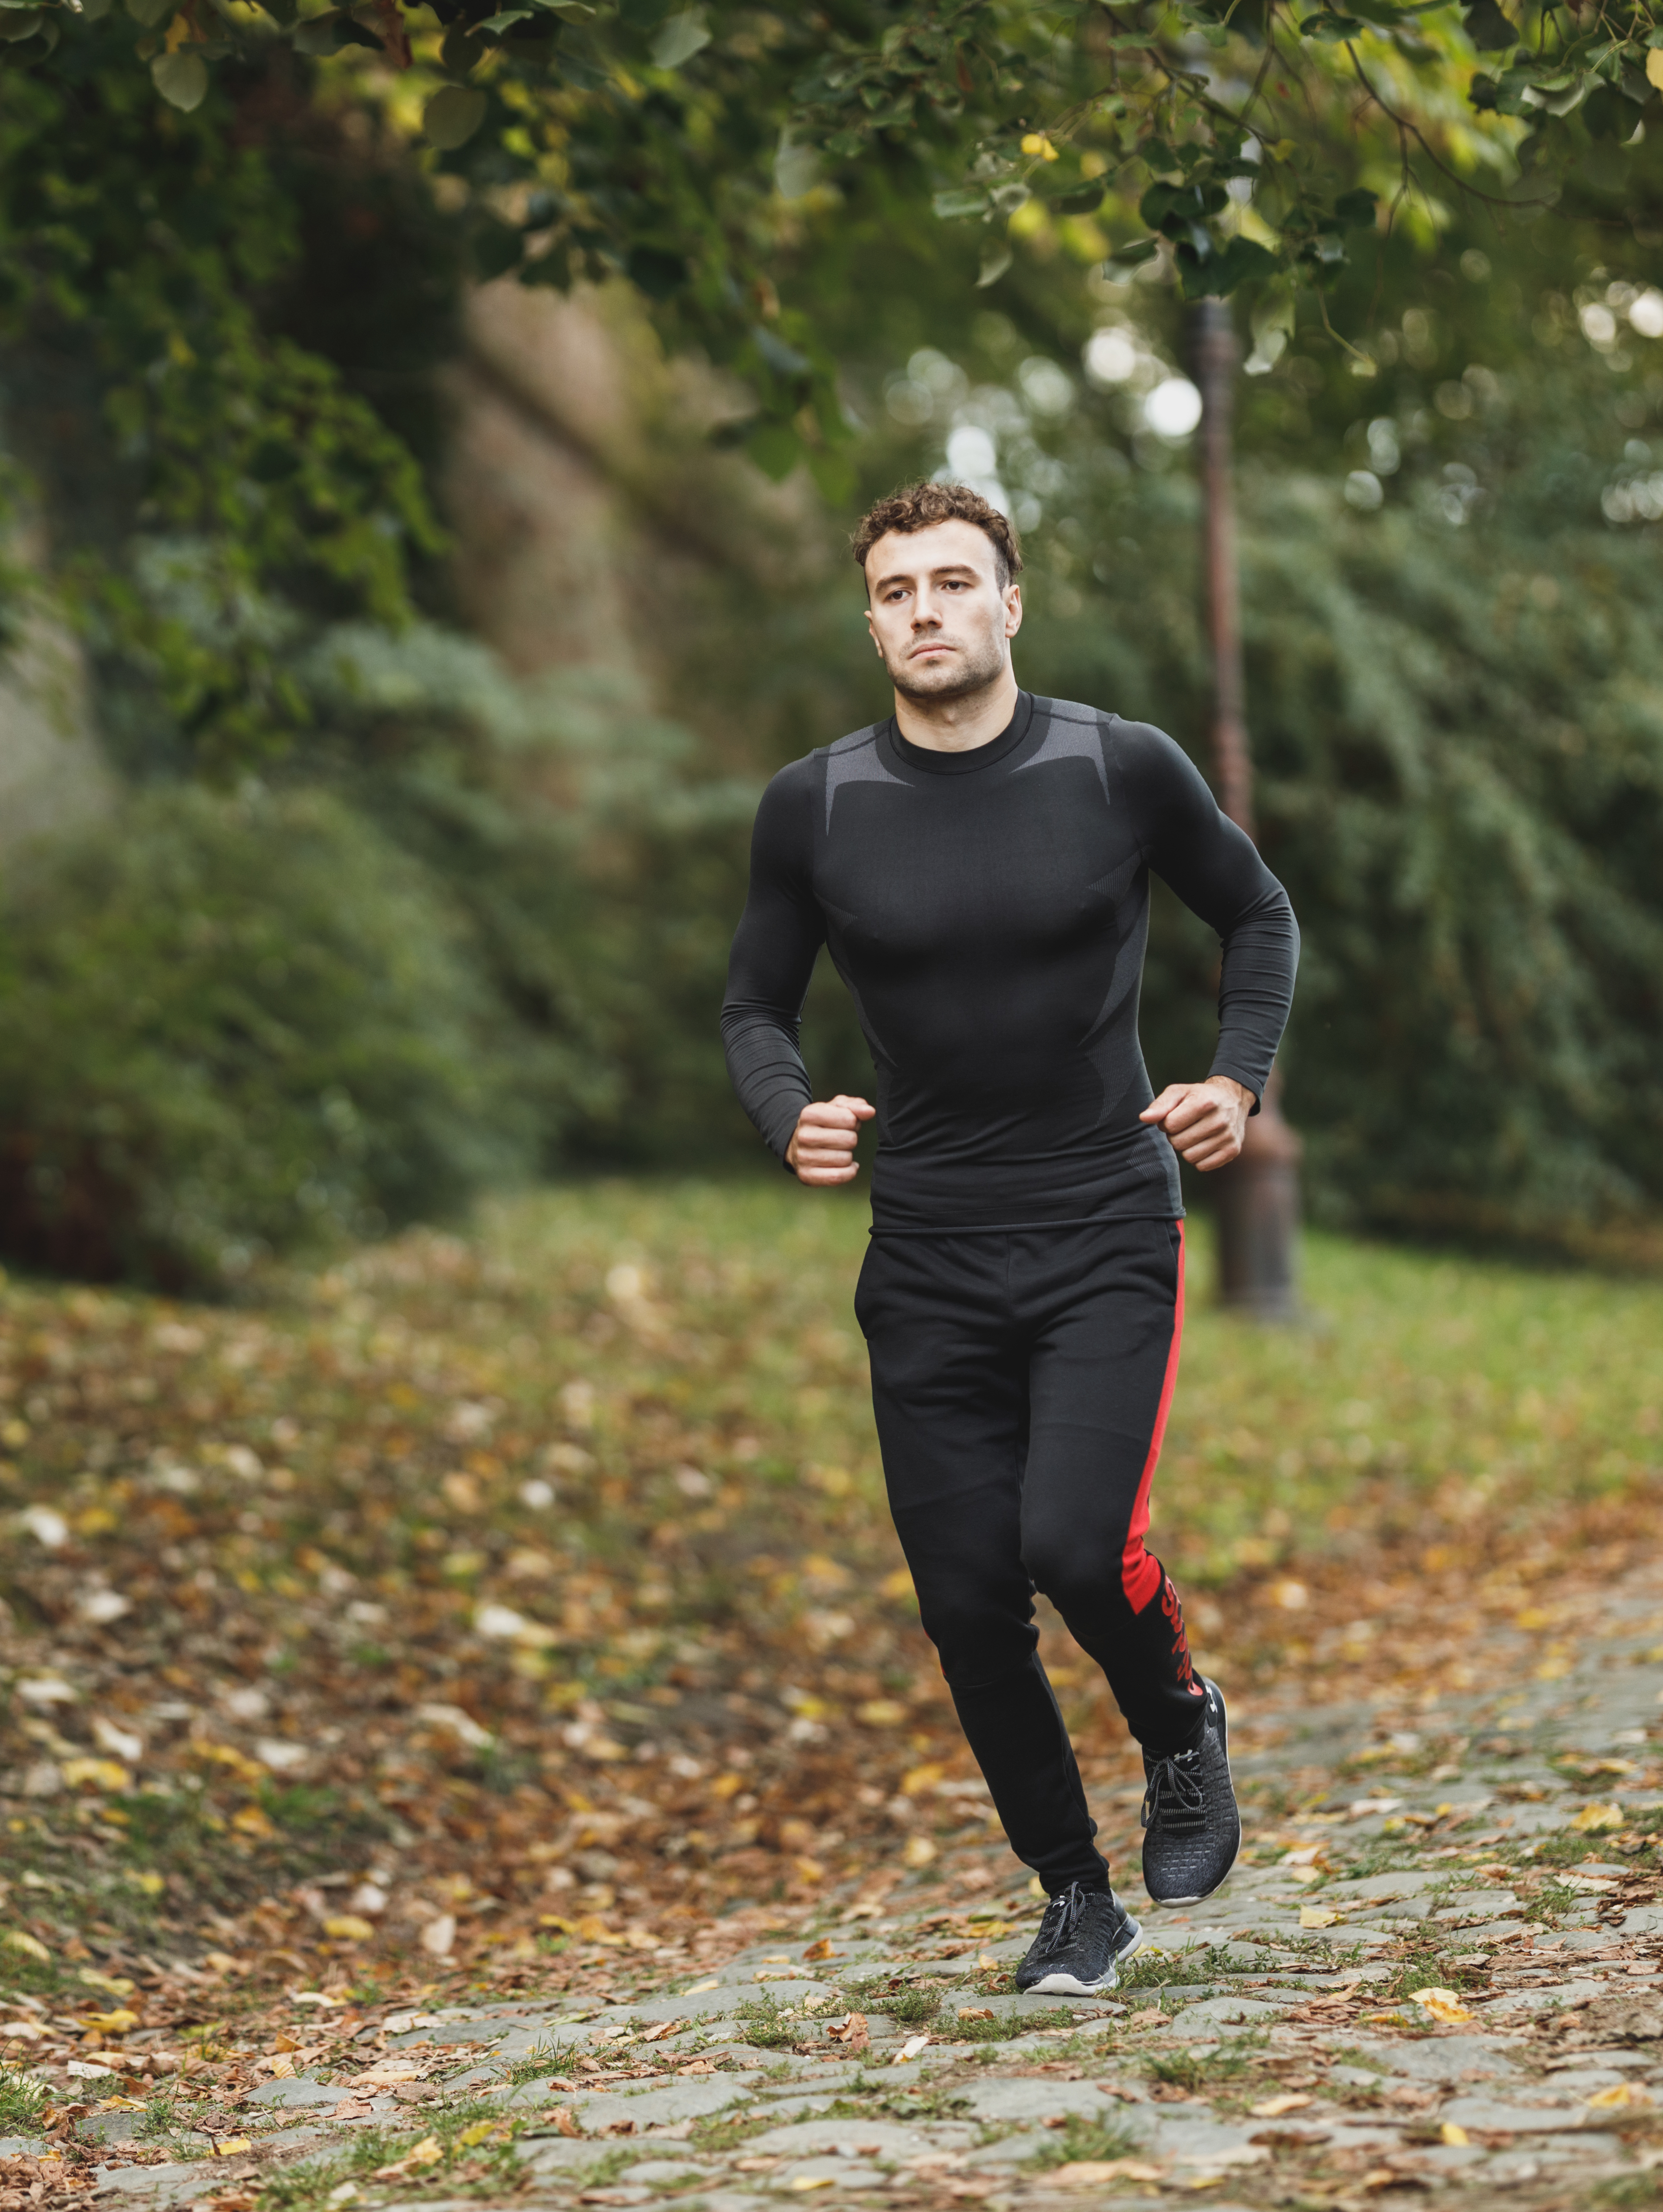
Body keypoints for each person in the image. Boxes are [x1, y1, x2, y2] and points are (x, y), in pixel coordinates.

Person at [719, 480, 1296, 1995]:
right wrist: (789, 1111)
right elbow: (753, 1006)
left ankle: (1179, 1725)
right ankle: (1072, 1898)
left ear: (1009, 605)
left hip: (1104, 1217)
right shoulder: (818, 804)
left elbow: (1258, 914)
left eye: (954, 584)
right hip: (925, 1253)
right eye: (898, 591)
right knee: (969, 1596)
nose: (927, 612)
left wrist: (1238, 1079)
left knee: (1071, 1545)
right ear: (872, 620)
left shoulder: (1119, 767)